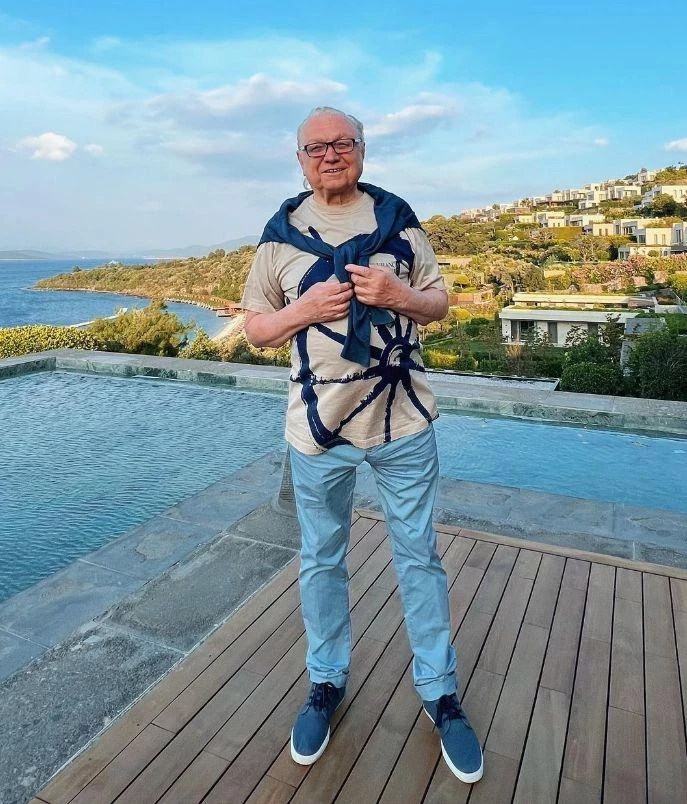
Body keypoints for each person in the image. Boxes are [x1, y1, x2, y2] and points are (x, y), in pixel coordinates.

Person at [241, 106, 483, 784]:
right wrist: (304, 311)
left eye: (342, 142)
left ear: (362, 150)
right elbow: (257, 329)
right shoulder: (278, 239)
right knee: (321, 559)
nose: (330, 154)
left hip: (402, 423)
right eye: (316, 146)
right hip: (317, 431)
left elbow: (438, 303)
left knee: (419, 556)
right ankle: (325, 682)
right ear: (300, 160)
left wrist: (399, 294)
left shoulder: (400, 223)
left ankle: (439, 692)